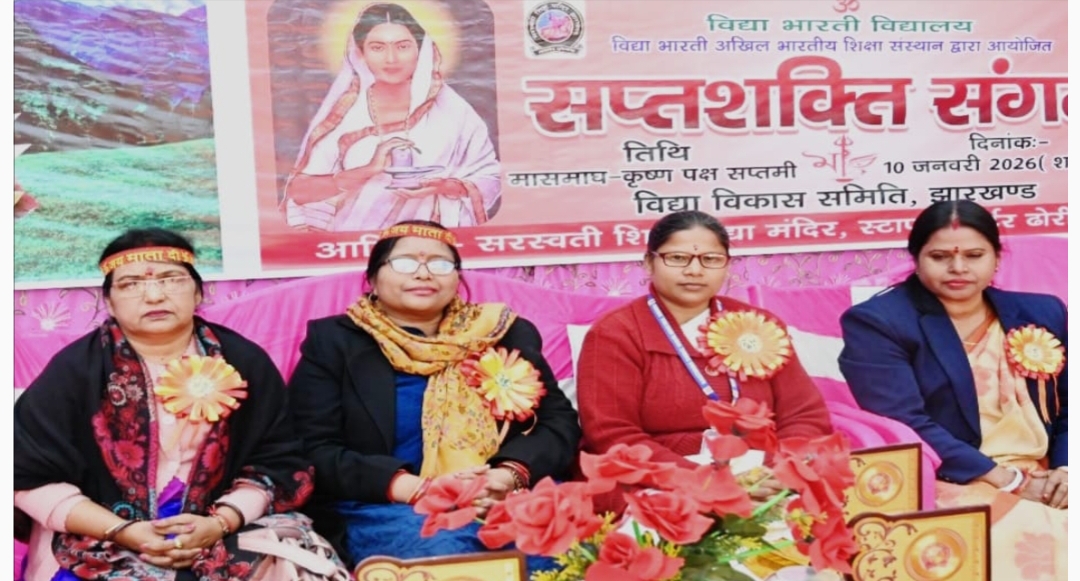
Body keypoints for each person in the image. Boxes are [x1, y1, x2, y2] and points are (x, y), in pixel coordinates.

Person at [14, 228, 316, 581]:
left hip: (223, 524)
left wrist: (220, 522)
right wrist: (122, 530)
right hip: (102, 530)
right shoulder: (74, 370)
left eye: (171, 279)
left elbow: (279, 461)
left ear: (198, 292)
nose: (154, 295)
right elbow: (22, 471)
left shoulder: (243, 361)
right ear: (109, 302)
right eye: (131, 284)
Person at [288, 220, 580, 569]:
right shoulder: (334, 343)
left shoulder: (500, 332)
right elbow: (313, 447)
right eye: (405, 262)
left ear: (457, 278)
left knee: (565, 548)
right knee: (450, 552)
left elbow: (557, 423)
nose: (424, 274)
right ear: (373, 279)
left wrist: (505, 476)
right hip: (388, 505)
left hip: (504, 495)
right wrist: (419, 489)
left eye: (440, 264)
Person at [838, 200, 1067, 577]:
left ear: (997, 258)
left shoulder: (1041, 313)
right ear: (916, 258)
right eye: (940, 257)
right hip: (951, 475)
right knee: (1039, 536)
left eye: (974, 255)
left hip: (1047, 472)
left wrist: (1066, 469)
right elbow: (905, 422)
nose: (958, 268)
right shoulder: (879, 323)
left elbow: (1069, 407)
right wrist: (1009, 480)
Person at [575, 211, 833, 509]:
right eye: (678, 258)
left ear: (727, 265)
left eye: (710, 259)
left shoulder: (758, 324)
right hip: (661, 478)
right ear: (648, 262)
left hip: (763, 475)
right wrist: (704, 482)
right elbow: (613, 435)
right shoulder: (616, 333)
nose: (695, 270)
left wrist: (777, 470)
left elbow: (805, 415)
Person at [283, 2, 501, 232]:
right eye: (377, 47)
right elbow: (300, 192)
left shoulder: (454, 112)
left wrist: (446, 186)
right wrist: (367, 170)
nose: (391, 59)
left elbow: (490, 176)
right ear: (361, 53)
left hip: (434, 241)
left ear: (420, 50)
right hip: (356, 241)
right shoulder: (344, 115)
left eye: (403, 46)